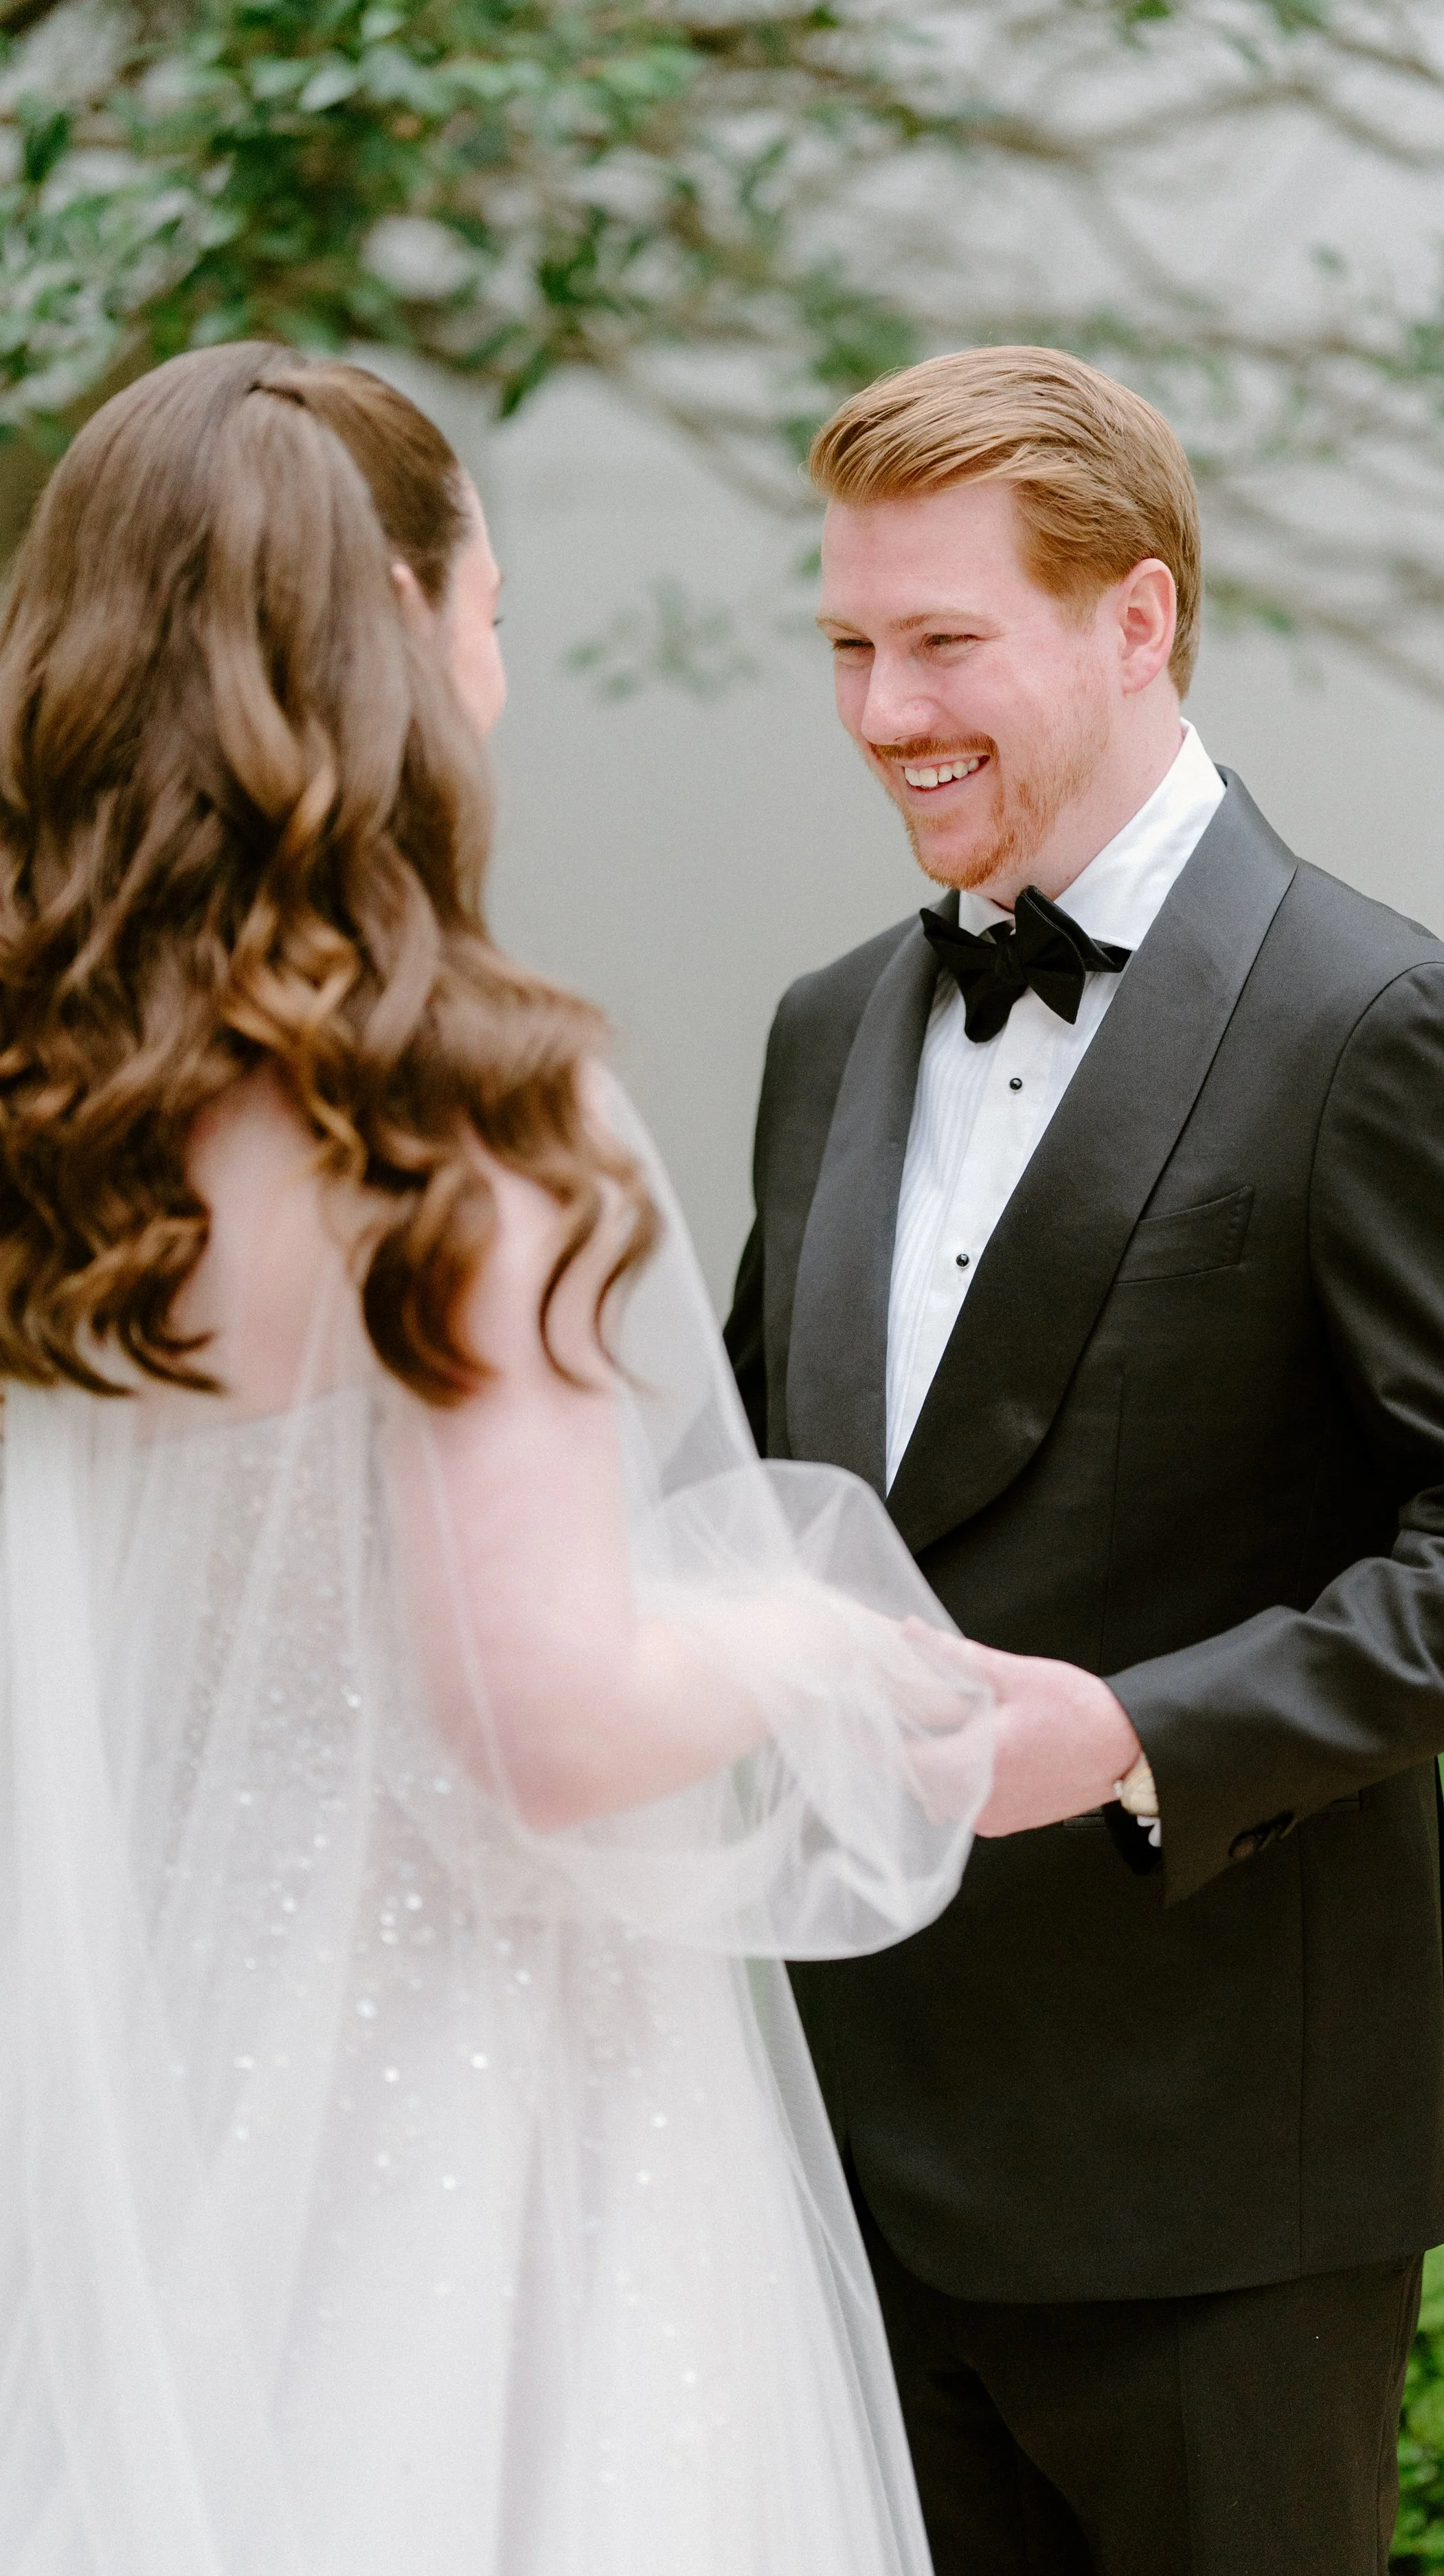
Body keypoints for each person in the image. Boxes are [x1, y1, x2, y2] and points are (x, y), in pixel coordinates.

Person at [0, 341, 1020, 2575]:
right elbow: (551, 1716)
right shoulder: (456, 1123)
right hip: (483, 2112)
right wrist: (809, 1639)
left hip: (137, 2080)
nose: (498, 646)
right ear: (395, 607)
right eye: (488, 592)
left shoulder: (46, 1119)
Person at [724, 345, 1444, 2576]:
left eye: (944, 642)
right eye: (848, 644)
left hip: (1216, 2199)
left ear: (1136, 619)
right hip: (835, 2164)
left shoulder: (1384, 1025)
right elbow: (758, 1488)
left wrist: (1138, 1731)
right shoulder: (825, 1023)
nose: (879, 710)